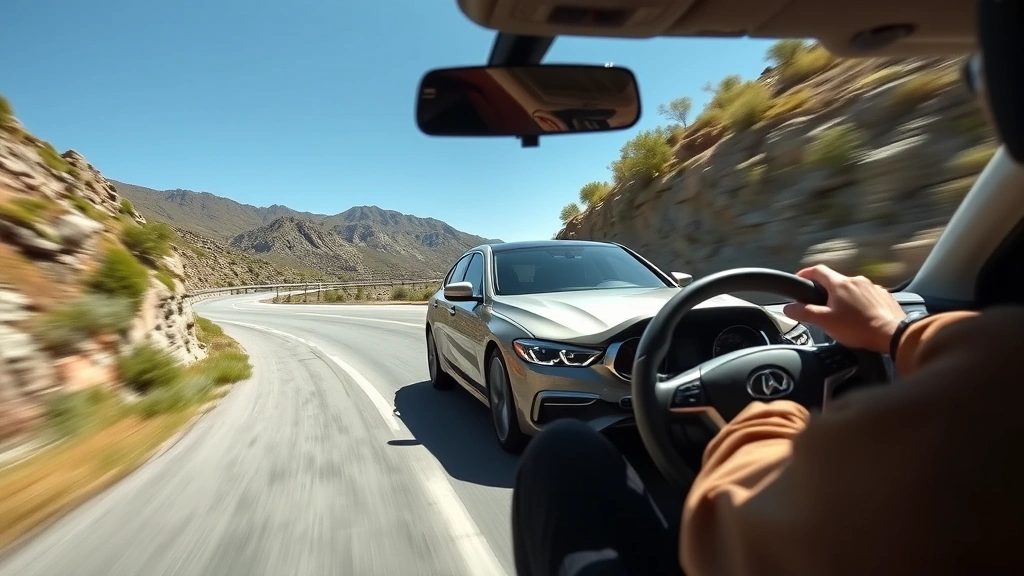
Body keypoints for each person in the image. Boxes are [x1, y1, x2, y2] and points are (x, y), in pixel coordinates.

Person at [511, 263, 1024, 575]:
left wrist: (759, 408)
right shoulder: (998, 366)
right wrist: (897, 331)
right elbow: (989, 355)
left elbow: (738, 510)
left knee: (563, 453)